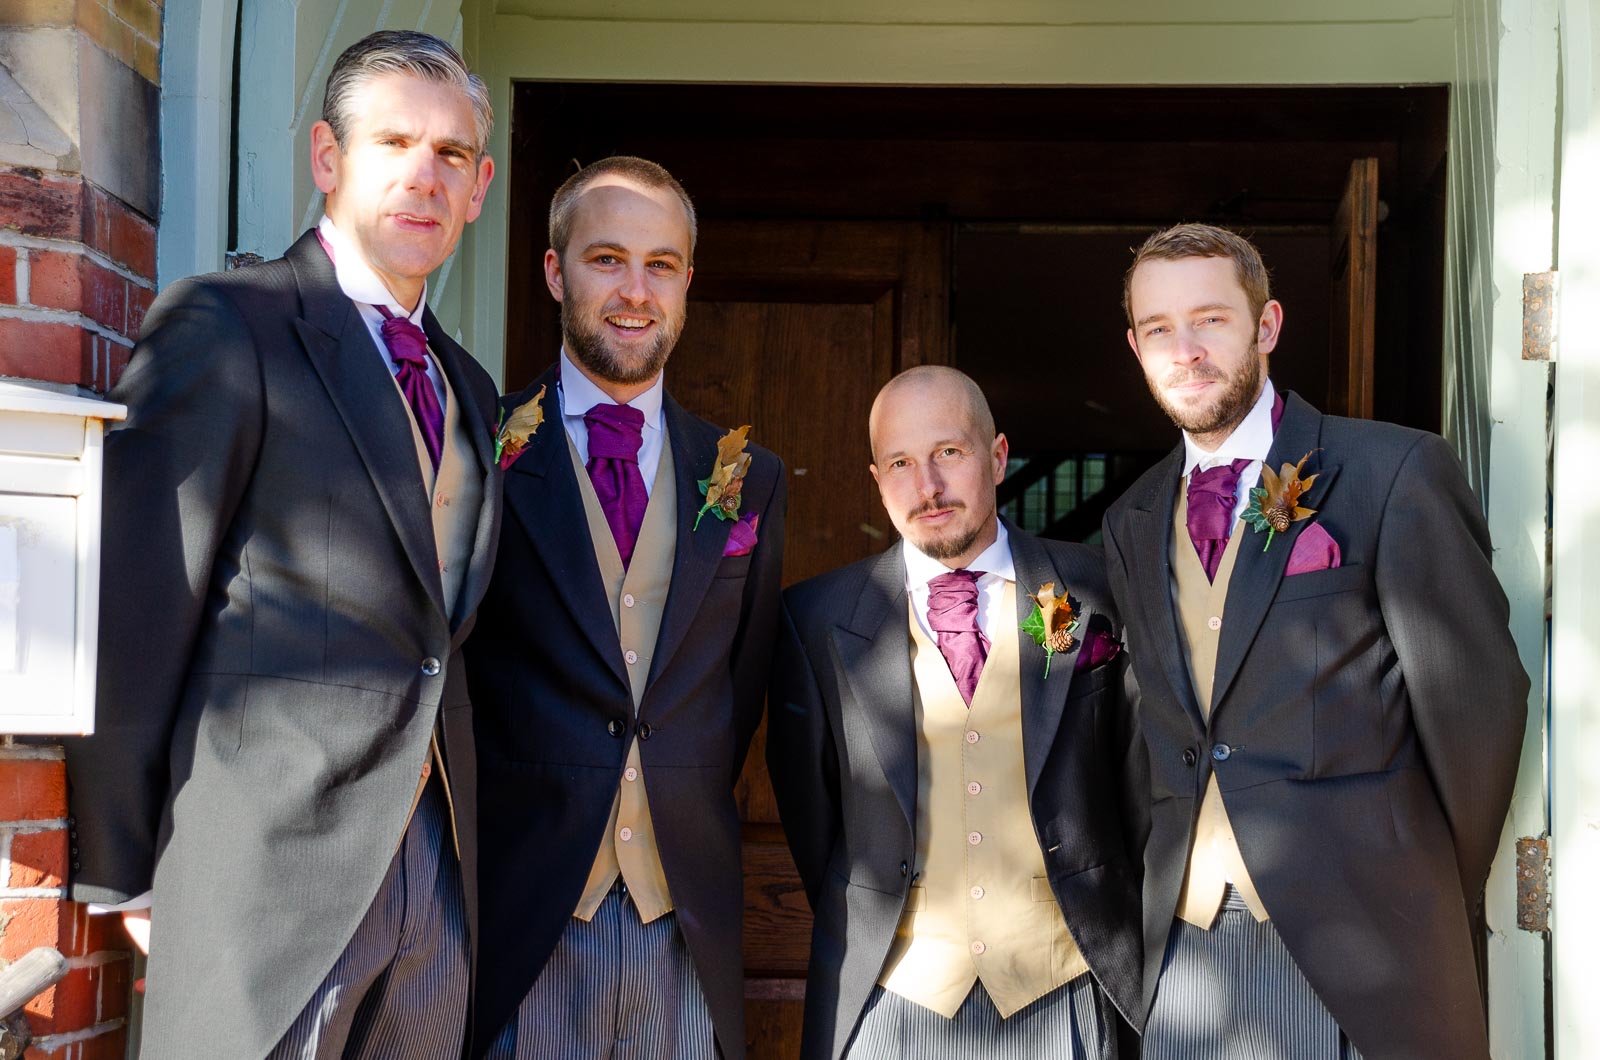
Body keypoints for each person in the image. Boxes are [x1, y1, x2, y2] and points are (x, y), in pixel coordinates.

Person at [62, 30, 499, 1059]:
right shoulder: (226, 327)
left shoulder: (468, 386)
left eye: (449, 155)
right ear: (326, 159)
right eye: (393, 141)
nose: (421, 176)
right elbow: (135, 613)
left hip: (431, 886)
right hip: (261, 879)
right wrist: (127, 871)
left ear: (480, 188)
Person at [1103, 222, 1529, 1059]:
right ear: (1135, 346)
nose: (1185, 349)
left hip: (1366, 942)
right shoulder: (1131, 519)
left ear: (1266, 327)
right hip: (1186, 955)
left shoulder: (1392, 473)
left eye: (1211, 320)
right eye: (1159, 330)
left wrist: (1420, 887)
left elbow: (1477, 707)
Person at [466, 155, 786, 1060]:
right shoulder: (481, 447)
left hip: (682, 916)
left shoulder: (744, 477)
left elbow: (742, 688)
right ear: (554, 270)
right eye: (607, 259)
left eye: (661, 265)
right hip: (523, 912)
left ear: (688, 283)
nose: (634, 292)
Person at [767, 365, 1146, 1059]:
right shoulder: (815, 620)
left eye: (949, 453)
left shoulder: (1097, 591)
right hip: (894, 1002)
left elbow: (1137, 790)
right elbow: (814, 819)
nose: (928, 487)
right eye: (901, 464)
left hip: (1060, 991)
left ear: (998, 457)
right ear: (876, 478)